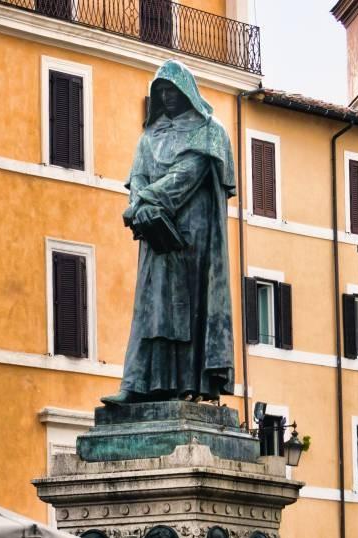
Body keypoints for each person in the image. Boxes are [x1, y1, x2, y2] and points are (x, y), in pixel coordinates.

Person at [101, 60, 236, 405]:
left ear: (186, 91)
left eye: (172, 90)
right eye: (161, 91)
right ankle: (139, 385)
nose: (166, 96)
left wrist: (145, 201)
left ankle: (188, 385)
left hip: (194, 234)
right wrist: (140, 204)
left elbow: (187, 174)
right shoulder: (149, 137)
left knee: (189, 308)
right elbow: (138, 178)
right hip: (156, 233)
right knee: (152, 307)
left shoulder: (210, 131)